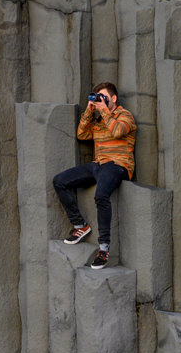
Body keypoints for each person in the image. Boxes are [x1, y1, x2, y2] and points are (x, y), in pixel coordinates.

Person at [53, 82, 136, 269]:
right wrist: (90, 111)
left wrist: (104, 110)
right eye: (97, 97)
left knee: (101, 195)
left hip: (118, 165)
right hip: (98, 164)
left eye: (103, 97)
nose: (100, 101)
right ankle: (80, 225)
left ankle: (104, 249)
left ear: (113, 99)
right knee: (60, 181)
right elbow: (82, 134)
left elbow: (117, 131)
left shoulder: (125, 116)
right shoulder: (99, 120)